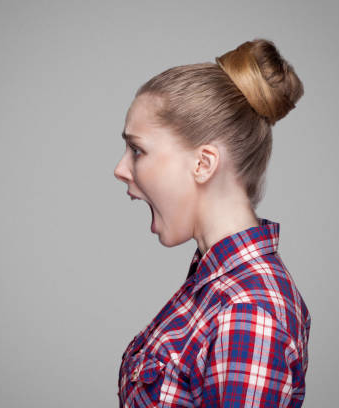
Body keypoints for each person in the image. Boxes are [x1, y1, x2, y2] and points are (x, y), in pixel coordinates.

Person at [113, 38, 311, 408]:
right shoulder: (214, 286)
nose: (121, 169)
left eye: (137, 149)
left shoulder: (248, 312)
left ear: (203, 164)